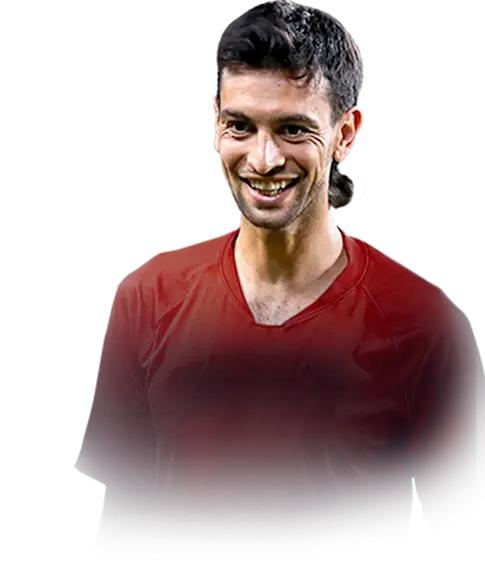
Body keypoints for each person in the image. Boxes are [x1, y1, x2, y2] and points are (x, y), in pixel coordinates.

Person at [75, 0, 485, 558]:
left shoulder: (425, 327)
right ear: (215, 121)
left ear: (347, 132)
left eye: (293, 129)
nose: (263, 159)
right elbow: (121, 512)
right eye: (240, 126)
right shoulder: (148, 297)